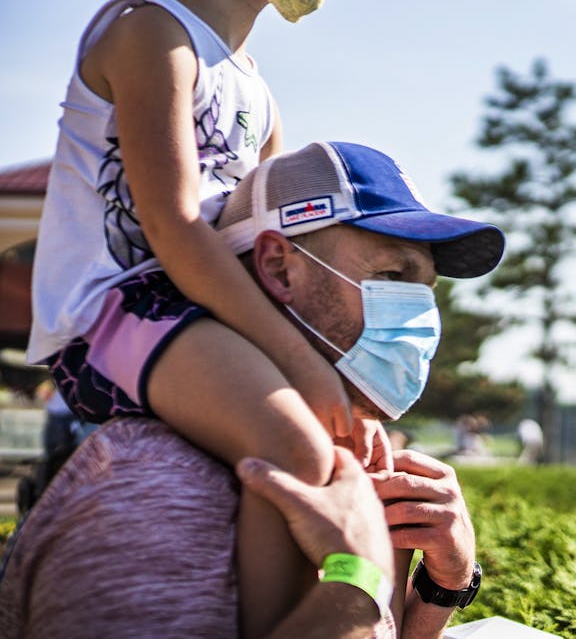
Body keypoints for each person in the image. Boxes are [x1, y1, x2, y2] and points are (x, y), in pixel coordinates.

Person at [25, 0, 406, 637]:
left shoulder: (260, 91)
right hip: (114, 313)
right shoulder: (145, 31)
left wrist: (345, 383)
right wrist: (303, 366)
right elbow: (173, 229)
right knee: (294, 451)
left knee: (327, 443)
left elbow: (251, 243)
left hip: (192, 312)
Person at [0, 141, 503, 637]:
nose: (419, 315)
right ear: (278, 267)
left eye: (424, 288)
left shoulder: (350, 471)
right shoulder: (150, 496)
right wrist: (360, 576)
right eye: (392, 274)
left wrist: (443, 587)